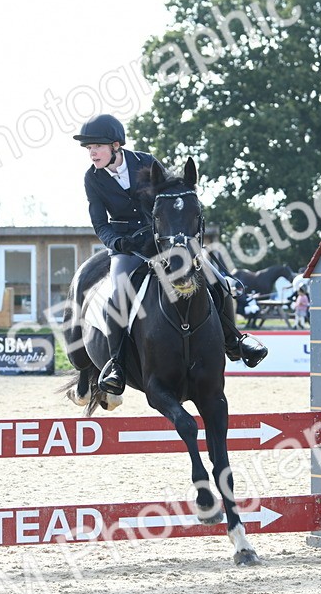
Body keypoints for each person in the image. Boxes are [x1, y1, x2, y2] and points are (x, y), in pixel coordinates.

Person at [75, 113, 266, 395]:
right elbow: (100, 223)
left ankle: (234, 340)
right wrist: (117, 243)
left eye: (97, 147)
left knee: (219, 281)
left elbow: (170, 198)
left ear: (116, 145)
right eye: (88, 149)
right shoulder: (92, 179)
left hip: (163, 239)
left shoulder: (146, 162)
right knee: (117, 295)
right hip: (129, 248)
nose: (92, 153)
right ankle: (115, 364)